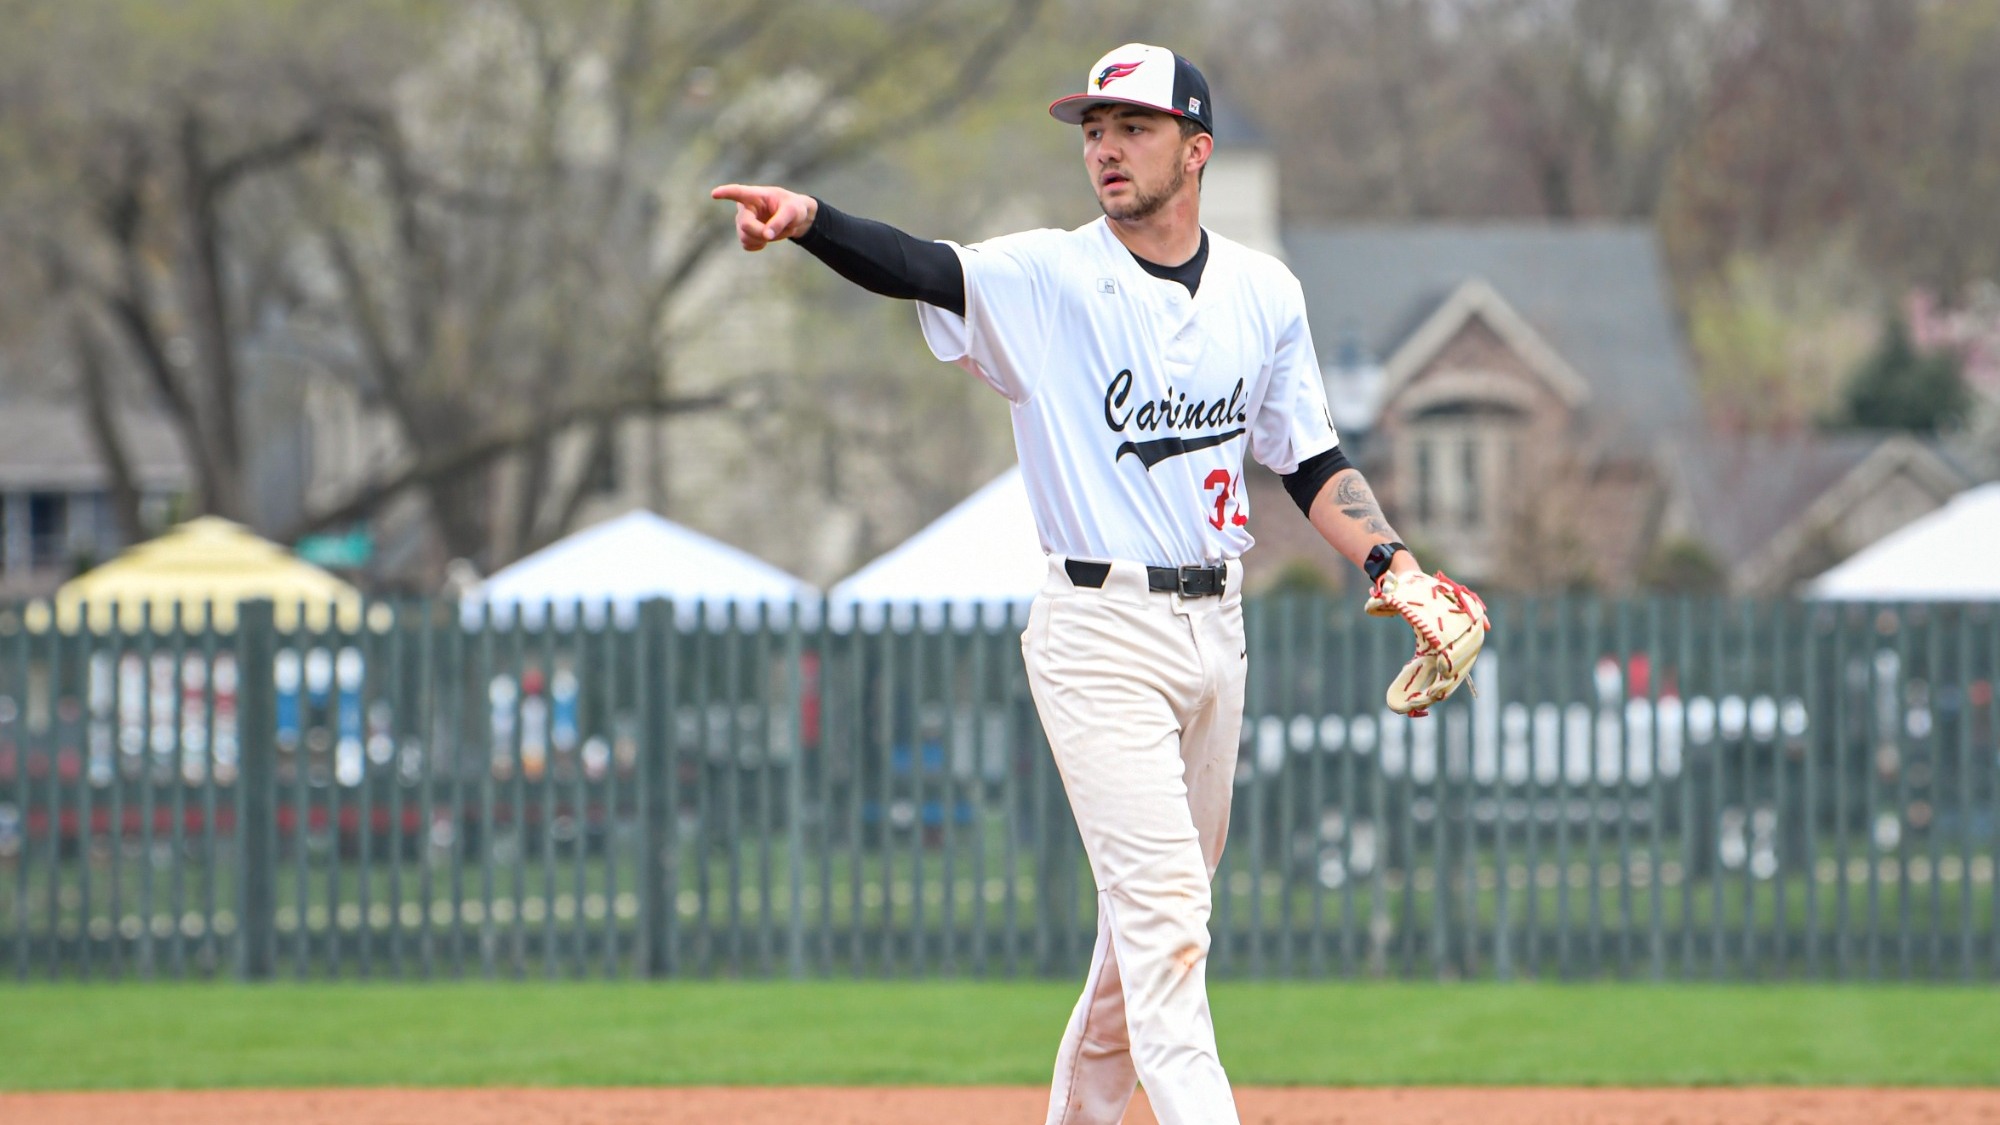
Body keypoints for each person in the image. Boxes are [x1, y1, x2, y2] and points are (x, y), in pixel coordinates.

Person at [714, 42, 1484, 1125]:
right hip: (1095, 628)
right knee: (1169, 917)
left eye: (1132, 127)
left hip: (1216, 626)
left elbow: (1305, 456)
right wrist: (810, 221)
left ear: (1197, 148)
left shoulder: (1262, 292)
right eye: (1092, 130)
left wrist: (1391, 565)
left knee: (1142, 942)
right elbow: (923, 264)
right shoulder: (1051, 276)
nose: (1105, 148)